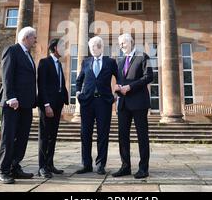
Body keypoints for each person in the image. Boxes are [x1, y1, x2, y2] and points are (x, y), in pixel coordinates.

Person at [0, 26, 38, 184]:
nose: (35, 41)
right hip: (12, 103)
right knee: (9, 137)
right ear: (26, 38)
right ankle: (3, 170)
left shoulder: (28, 55)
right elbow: (6, 76)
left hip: (26, 104)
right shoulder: (12, 50)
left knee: (22, 138)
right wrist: (10, 97)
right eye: (34, 38)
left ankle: (14, 167)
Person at [112, 33, 153, 179]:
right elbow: (120, 80)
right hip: (123, 104)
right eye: (120, 43)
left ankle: (143, 168)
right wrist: (117, 88)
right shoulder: (121, 61)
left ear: (131, 42)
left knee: (142, 136)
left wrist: (130, 87)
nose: (121, 46)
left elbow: (149, 76)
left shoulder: (143, 57)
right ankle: (125, 166)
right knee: (123, 136)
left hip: (139, 103)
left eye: (123, 43)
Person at [75, 36, 118, 175]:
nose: (91, 49)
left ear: (100, 47)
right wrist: (77, 93)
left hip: (103, 103)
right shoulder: (86, 62)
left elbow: (120, 78)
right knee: (85, 134)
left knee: (102, 134)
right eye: (90, 46)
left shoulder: (110, 62)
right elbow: (79, 80)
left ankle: (100, 165)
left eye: (94, 46)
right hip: (87, 102)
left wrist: (116, 94)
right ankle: (86, 164)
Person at [37, 38, 69, 178]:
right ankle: (42, 167)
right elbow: (42, 85)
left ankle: (50, 164)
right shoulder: (44, 63)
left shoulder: (59, 64)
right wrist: (46, 105)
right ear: (55, 48)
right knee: (45, 136)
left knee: (53, 136)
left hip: (57, 106)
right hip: (47, 106)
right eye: (63, 46)